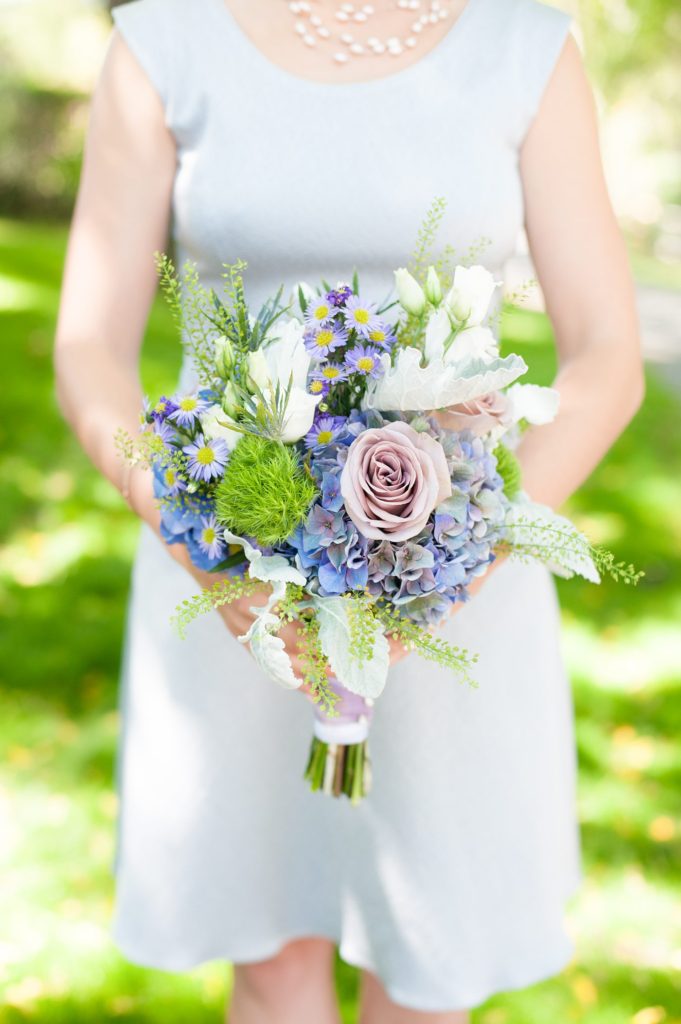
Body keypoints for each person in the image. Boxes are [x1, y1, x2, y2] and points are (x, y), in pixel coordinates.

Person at [54, 0, 643, 1020]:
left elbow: (607, 356)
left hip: (455, 584)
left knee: (425, 968)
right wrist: (205, 546)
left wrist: (460, 557)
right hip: (227, 570)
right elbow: (88, 349)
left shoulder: (524, 47)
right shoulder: (163, 42)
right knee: (268, 952)